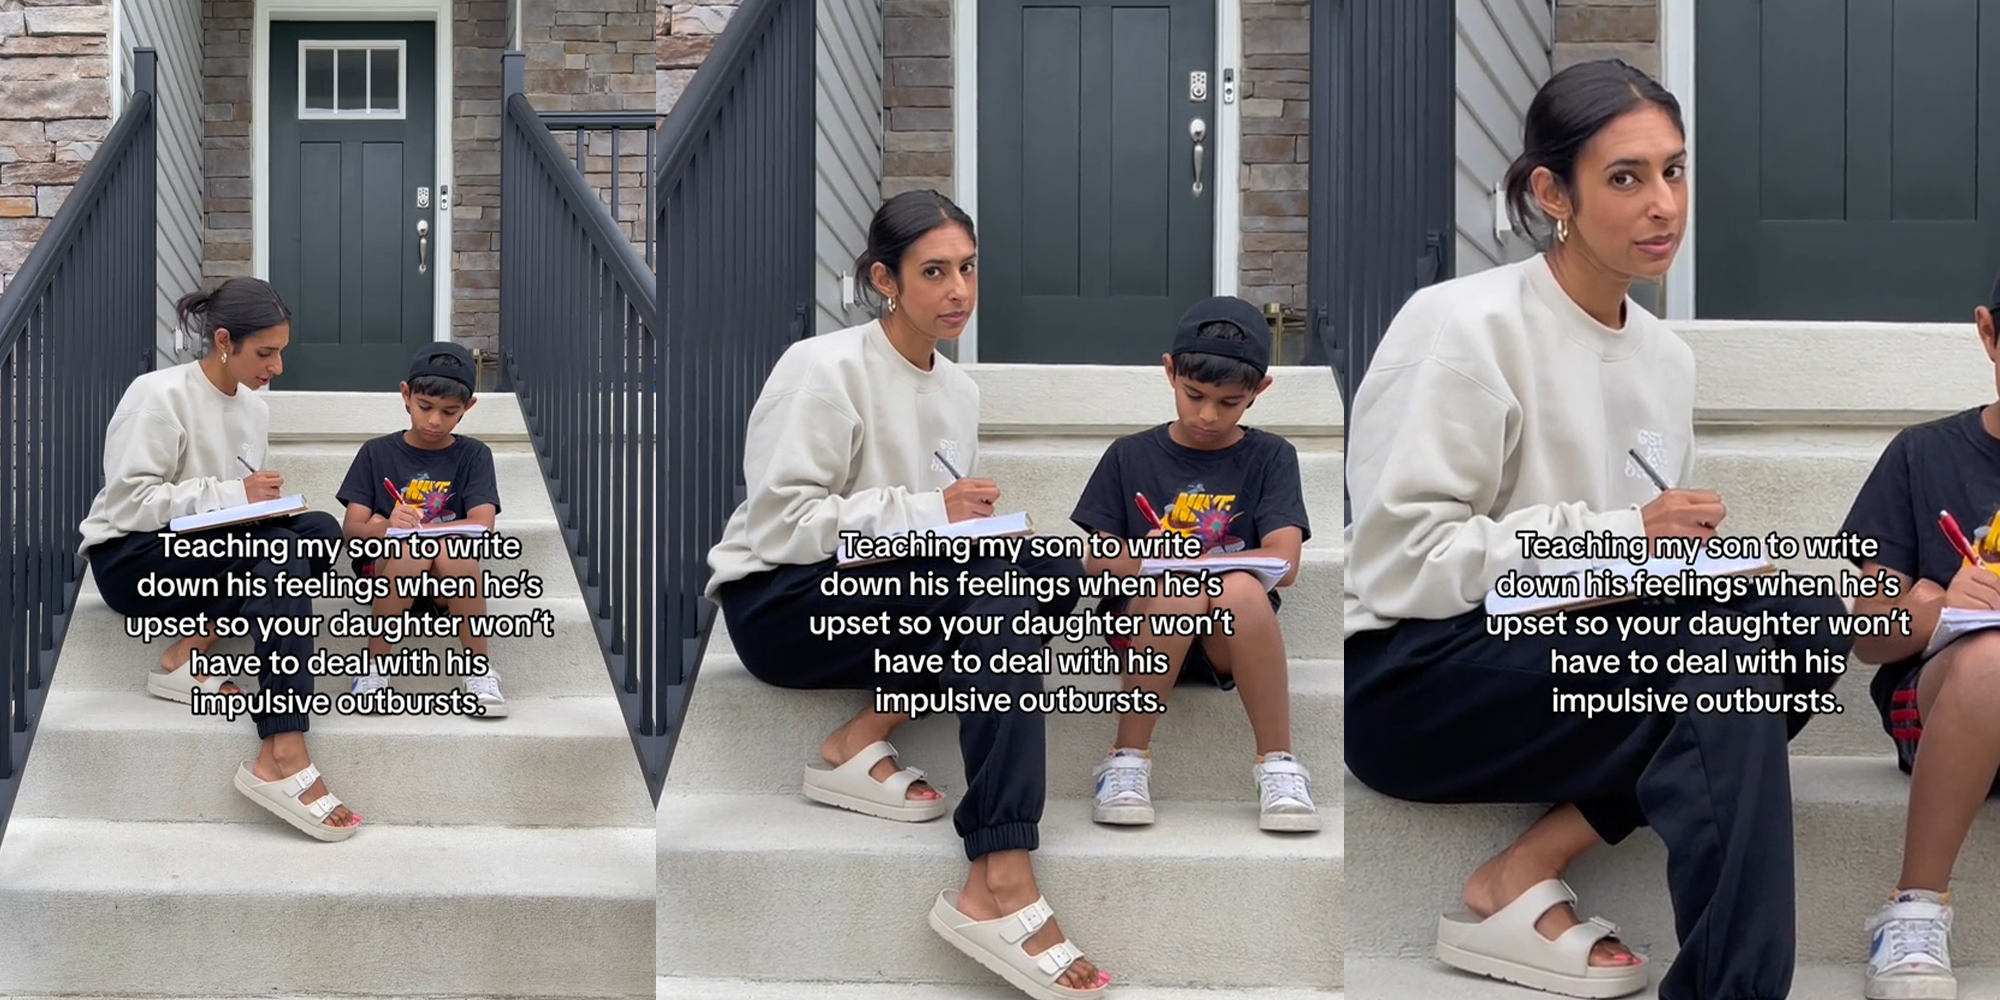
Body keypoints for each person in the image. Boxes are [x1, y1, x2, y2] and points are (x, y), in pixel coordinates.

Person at [1341, 59, 1850, 1000]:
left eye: (1674, 170)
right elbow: (1402, 561)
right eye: (1626, 177)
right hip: (1421, 678)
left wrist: (1695, 564)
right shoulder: (1461, 326)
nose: (1663, 204)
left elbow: (1632, 562)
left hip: (1575, 650)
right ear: (1551, 192)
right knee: (1724, 668)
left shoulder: (1664, 358)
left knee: (1805, 612)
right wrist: (1622, 539)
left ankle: (1525, 865)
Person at [705, 189, 1111, 998]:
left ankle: (860, 738)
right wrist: (934, 514)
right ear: (884, 279)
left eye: (967, 268)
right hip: (786, 605)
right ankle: (1000, 873)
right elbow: (784, 524)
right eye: (934, 272)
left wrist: (969, 531)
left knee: (1056, 571)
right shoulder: (821, 369)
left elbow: (928, 542)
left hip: (886, 594)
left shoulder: (958, 392)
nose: (959, 290)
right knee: (997, 580)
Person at [79, 277, 361, 842]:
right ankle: (281, 750)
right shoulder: (156, 395)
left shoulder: (253, 410)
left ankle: (187, 655)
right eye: (266, 353)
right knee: (281, 551)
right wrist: (237, 496)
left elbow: (229, 511)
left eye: (282, 351)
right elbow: (130, 505)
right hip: (134, 558)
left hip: (205, 549)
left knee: (321, 530)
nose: (277, 367)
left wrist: (259, 505)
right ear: (225, 341)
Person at [1068, 295, 1317, 833]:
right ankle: (1126, 762)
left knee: (1242, 590)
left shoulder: (1272, 456)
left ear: (1259, 392)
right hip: (1145, 629)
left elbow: (1285, 560)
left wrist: (1202, 561)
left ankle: (1277, 765)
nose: (1207, 415)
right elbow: (1096, 553)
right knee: (1178, 591)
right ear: (1170, 372)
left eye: (1228, 402)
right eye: (1194, 395)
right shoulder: (1129, 455)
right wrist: (1137, 559)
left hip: (1232, 637)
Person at [1836, 270, 2000, 1000]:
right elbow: (1869, 633)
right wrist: (1934, 609)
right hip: (1947, 707)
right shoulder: (1924, 455)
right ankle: (1916, 907)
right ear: (1988, 333)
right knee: (1992, 660)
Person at [333, 343, 506, 717]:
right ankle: (375, 667)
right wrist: (387, 525)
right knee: (411, 552)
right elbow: (352, 529)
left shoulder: (474, 455)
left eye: (449, 412)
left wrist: (431, 534)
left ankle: (479, 670)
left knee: (450, 554)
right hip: (387, 574)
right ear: (406, 395)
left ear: (468, 408)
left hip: (448, 582)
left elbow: (483, 523)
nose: (434, 421)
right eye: (425, 407)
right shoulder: (376, 453)